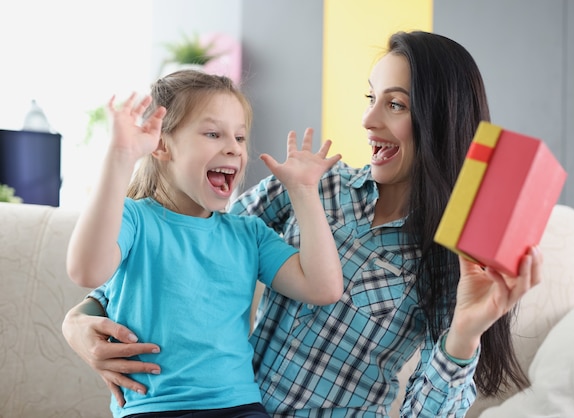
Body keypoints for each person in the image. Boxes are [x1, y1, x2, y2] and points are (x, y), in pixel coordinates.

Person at [62, 31, 543, 417]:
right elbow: (193, 252)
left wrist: (464, 335)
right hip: (223, 403)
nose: (368, 118)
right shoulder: (315, 184)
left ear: (440, 119)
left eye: (394, 104)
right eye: (370, 97)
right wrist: (78, 324)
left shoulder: (454, 254)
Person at [64, 70, 344, 418]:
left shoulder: (249, 234)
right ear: (162, 145)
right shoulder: (135, 220)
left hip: (238, 406)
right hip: (152, 408)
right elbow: (85, 269)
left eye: (240, 138)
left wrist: (303, 192)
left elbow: (324, 287)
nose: (233, 147)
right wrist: (120, 157)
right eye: (213, 133)